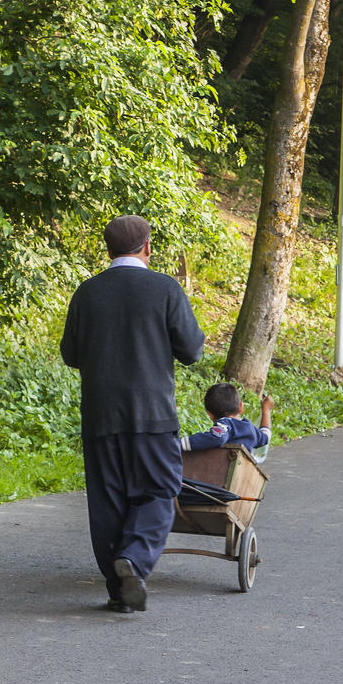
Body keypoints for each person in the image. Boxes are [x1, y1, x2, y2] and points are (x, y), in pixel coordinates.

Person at [61, 216, 205, 613]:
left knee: (107, 502)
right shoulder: (164, 288)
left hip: (100, 414)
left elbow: (70, 355)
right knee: (159, 490)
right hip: (152, 414)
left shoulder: (87, 293)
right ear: (147, 246)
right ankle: (135, 561)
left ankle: (117, 591)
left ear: (108, 248)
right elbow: (191, 351)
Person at [182, 384, 274, 454]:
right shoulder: (249, 429)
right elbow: (265, 437)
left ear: (210, 414)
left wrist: (176, 444)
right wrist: (266, 410)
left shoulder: (226, 425)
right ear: (241, 407)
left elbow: (218, 438)